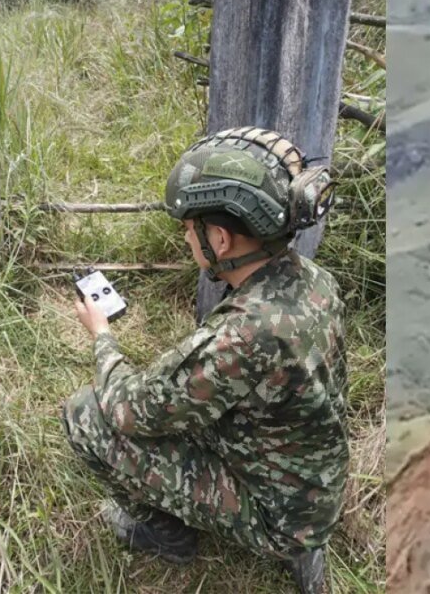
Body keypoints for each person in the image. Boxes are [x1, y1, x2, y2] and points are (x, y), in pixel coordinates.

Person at [61, 126, 349, 593]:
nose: (186, 240)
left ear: (219, 238)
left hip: (281, 518)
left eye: (188, 230)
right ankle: (302, 540)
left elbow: (131, 410)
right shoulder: (316, 281)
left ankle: (165, 535)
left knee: (84, 414)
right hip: (316, 485)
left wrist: (102, 337)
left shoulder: (243, 336)